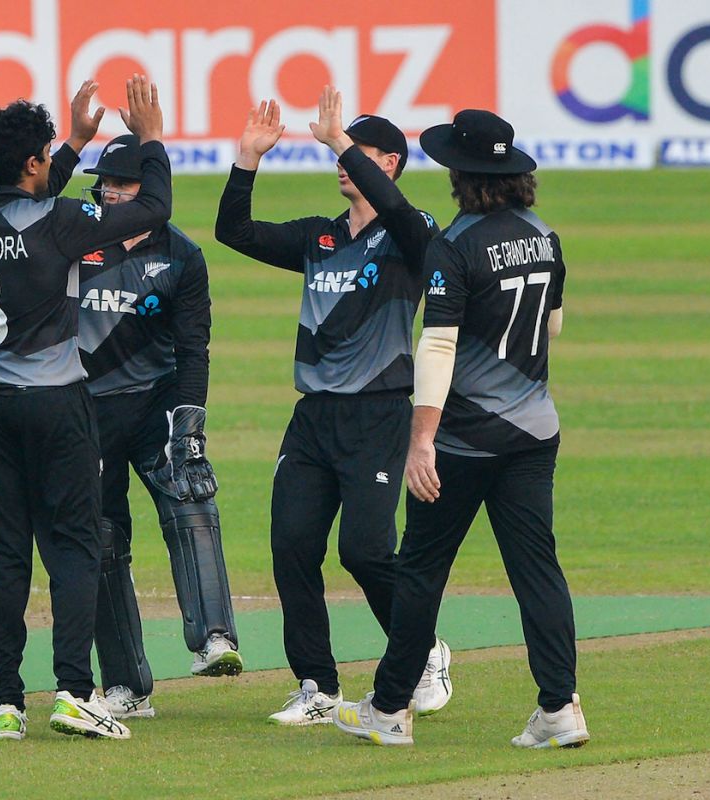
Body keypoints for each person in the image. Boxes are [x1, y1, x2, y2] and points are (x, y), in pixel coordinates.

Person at [332, 109, 588, 749]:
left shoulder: (455, 245)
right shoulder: (544, 234)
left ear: (461, 173)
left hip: (465, 440)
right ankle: (561, 709)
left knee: (420, 573)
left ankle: (390, 710)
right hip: (534, 431)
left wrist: (421, 439)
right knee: (538, 573)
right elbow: (552, 326)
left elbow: (438, 346)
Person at [215, 88, 451, 725]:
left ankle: (423, 650)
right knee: (292, 547)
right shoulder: (318, 237)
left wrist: (341, 138)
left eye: (363, 154)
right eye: (345, 153)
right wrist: (247, 160)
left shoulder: (414, 234)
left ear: (391, 164)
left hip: (378, 414)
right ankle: (317, 686)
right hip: (314, 418)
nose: (343, 162)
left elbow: (400, 214)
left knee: (366, 550)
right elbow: (231, 231)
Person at [0, 77, 172, 741]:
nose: (54, 163)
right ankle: (75, 690)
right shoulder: (65, 224)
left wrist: (75, 140)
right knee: (77, 544)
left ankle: (5, 704)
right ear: (31, 164)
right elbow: (154, 208)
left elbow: (35, 209)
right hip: (57, 404)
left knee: (4, 555)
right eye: (47, 154)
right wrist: (153, 134)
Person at [69, 134, 240, 722]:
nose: (110, 193)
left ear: (152, 192)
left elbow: (194, 349)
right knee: (101, 536)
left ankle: (215, 637)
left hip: (153, 402)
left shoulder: (182, 256)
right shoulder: (76, 239)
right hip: (85, 408)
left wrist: (189, 423)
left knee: (191, 495)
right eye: (106, 183)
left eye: (123, 183)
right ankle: (126, 685)